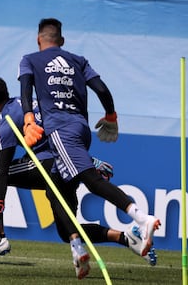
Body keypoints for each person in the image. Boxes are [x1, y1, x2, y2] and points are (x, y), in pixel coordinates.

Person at [0, 77, 157, 277]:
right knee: (65, 230)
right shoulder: (27, 104)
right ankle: (127, 238)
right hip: (70, 161)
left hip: (48, 164)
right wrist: (86, 159)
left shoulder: (6, 122)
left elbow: (2, 170)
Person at [18, 18, 161, 277]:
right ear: (61, 41)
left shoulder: (29, 59)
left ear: (39, 39)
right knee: (56, 196)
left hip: (59, 129)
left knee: (92, 181)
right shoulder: (78, 60)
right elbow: (102, 89)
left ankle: (141, 218)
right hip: (81, 130)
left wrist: (28, 119)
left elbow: (25, 90)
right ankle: (78, 246)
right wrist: (111, 116)